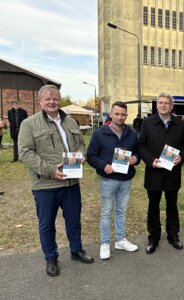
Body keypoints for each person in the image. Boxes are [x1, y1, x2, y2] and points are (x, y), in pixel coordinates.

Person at [18, 85, 94, 277]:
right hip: (46, 185)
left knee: (74, 220)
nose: (52, 102)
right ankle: (51, 258)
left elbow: (81, 144)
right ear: (40, 101)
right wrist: (51, 171)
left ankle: (76, 250)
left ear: (60, 100)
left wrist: (81, 156)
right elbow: (25, 153)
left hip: (71, 182)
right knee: (47, 224)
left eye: (55, 98)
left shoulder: (70, 122)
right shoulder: (29, 124)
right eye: (47, 99)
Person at [87, 101, 141, 260]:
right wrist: (103, 166)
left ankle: (120, 239)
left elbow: (138, 153)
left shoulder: (132, 134)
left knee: (121, 211)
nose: (120, 117)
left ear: (127, 115)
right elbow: (91, 155)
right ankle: (105, 242)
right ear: (111, 114)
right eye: (117, 114)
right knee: (106, 212)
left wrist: (135, 159)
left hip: (126, 179)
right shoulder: (99, 133)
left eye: (123, 114)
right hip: (108, 179)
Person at [138, 93, 184, 254]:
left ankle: (173, 235)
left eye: (167, 103)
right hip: (154, 172)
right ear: (157, 105)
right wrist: (151, 161)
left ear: (172, 106)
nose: (164, 105)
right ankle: (153, 238)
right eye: (161, 103)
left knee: (172, 206)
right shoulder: (147, 123)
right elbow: (141, 146)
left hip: (173, 172)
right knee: (153, 207)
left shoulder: (180, 124)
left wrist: (182, 156)